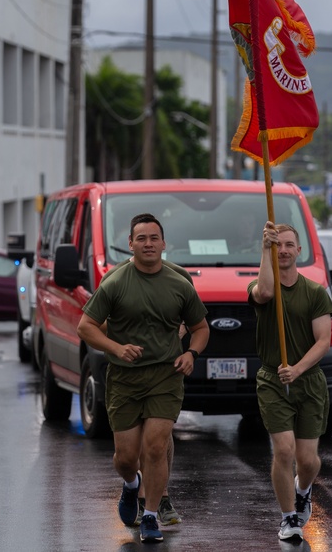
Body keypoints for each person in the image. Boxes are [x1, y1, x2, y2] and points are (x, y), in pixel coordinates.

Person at [78, 213, 209, 543]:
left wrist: (190, 353)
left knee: (154, 446)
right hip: (124, 378)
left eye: (154, 238)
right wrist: (117, 348)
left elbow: (200, 328)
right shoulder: (116, 282)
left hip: (165, 375)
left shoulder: (180, 283)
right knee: (126, 458)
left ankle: (150, 515)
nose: (148, 244)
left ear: (164, 244)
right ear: (131, 245)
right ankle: (131, 484)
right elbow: (85, 327)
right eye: (141, 238)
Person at [248, 221, 332, 542]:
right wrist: (263, 249)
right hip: (273, 380)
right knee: (283, 451)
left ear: (299, 251)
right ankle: (288, 519)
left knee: (308, 461)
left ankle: (303, 489)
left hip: (308, 380)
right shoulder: (260, 286)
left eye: (288, 245)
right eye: (277, 245)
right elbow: (266, 292)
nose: (282, 250)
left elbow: (323, 340)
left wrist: (297, 369)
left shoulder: (314, 292)